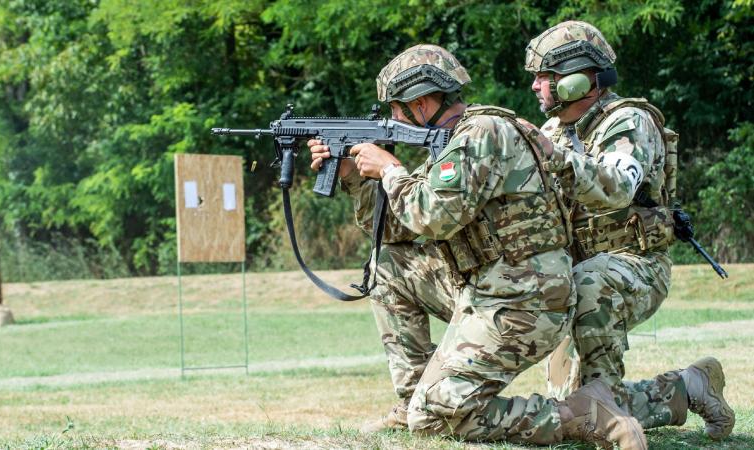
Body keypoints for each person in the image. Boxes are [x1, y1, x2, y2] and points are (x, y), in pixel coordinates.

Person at [312, 44, 646, 449]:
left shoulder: (481, 135)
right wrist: (353, 178)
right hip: (489, 287)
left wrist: (389, 169)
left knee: (434, 419)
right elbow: (396, 230)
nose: (393, 119)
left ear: (421, 104)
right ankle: (415, 398)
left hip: (526, 297)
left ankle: (582, 414)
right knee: (389, 266)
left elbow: (430, 216)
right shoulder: (455, 142)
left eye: (397, 109)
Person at [524, 20, 735, 439]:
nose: (535, 86)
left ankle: (611, 419)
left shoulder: (629, 122)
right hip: (575, 272)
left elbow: (618, 186)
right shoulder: (553, 132)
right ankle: (687, 387)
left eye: (545, 75)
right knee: (573, 405)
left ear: (581, 78)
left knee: (589, 284)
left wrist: (554, 158)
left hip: (635, 265)